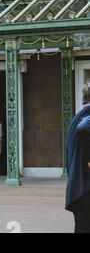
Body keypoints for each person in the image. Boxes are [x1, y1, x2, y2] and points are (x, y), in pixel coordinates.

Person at [66, 81, 90, 233]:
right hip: (86, 188)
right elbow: (84, 129)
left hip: (77, 188)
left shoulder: (77, 117)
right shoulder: (87, 115)